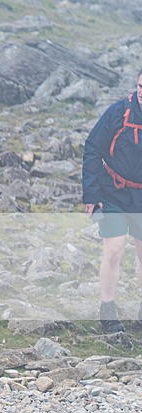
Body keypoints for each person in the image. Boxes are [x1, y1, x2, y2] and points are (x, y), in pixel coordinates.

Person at [82, 68, 142, 333]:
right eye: (141, 87)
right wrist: (92, 196)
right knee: (115, 249)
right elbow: (93, 148)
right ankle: (107, 311)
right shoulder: (118, 113)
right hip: (114, 191)